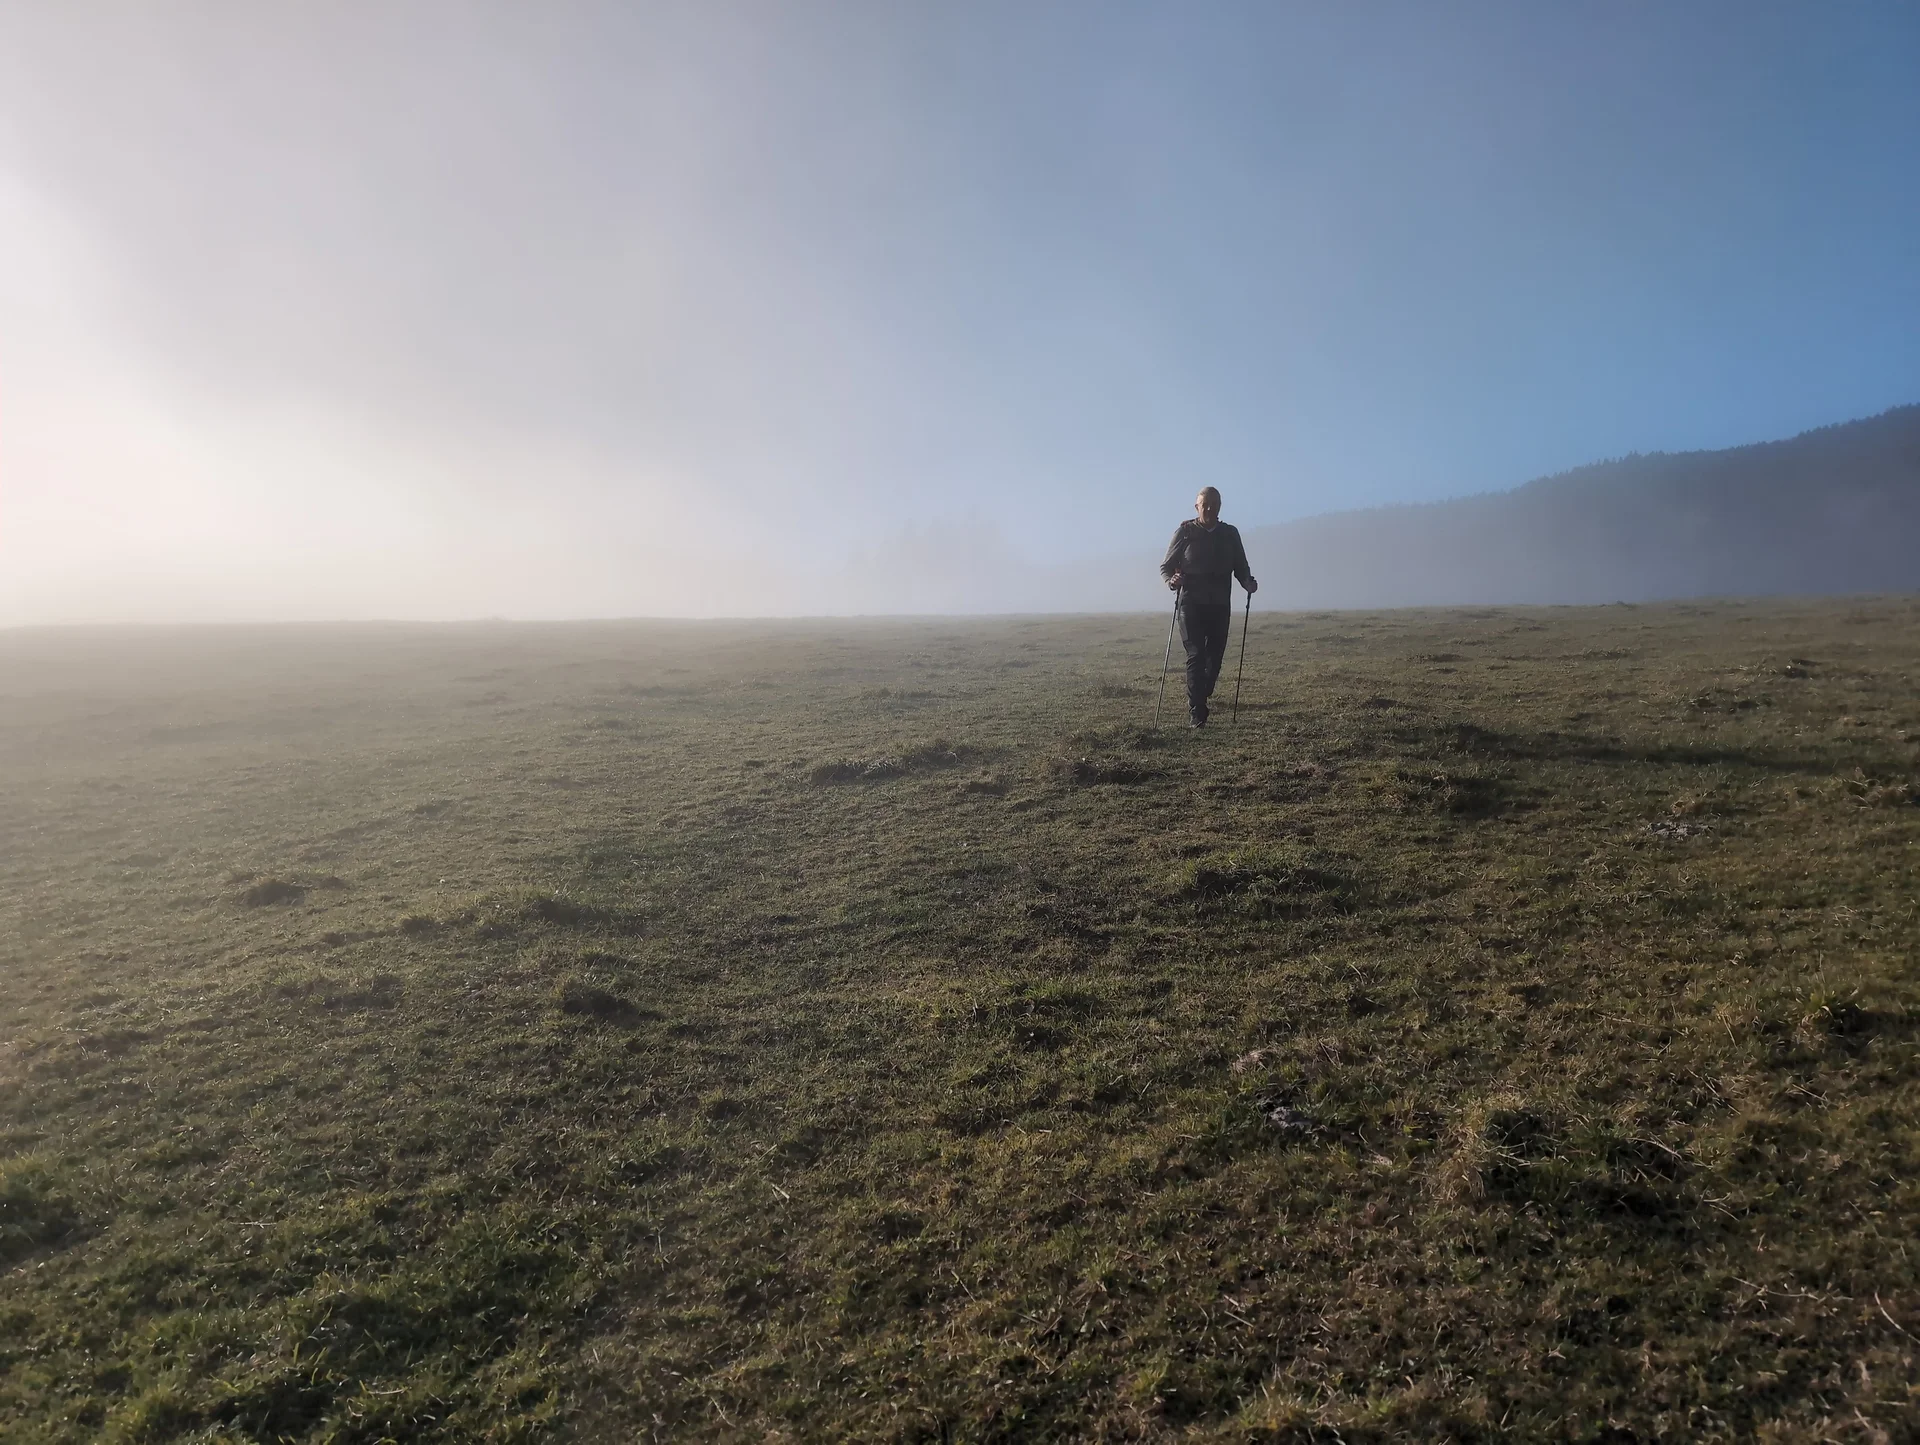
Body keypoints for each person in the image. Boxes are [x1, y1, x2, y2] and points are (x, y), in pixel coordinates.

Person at [1159, 487, 1257, 727]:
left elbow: (1241, 566)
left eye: (1214, 504)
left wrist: (1247, 582)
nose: (1210, 509)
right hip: (1190, 604)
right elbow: (1166, 567)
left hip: (1220, 605)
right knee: (1196, 655)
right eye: (1206, 505)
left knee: (1214, 658)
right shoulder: (1185, 532)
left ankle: (1202, 693)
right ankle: (1197, 713)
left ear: (1220, 506)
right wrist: (1172, 581)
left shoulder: (1230, 534)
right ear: (1197, 507)